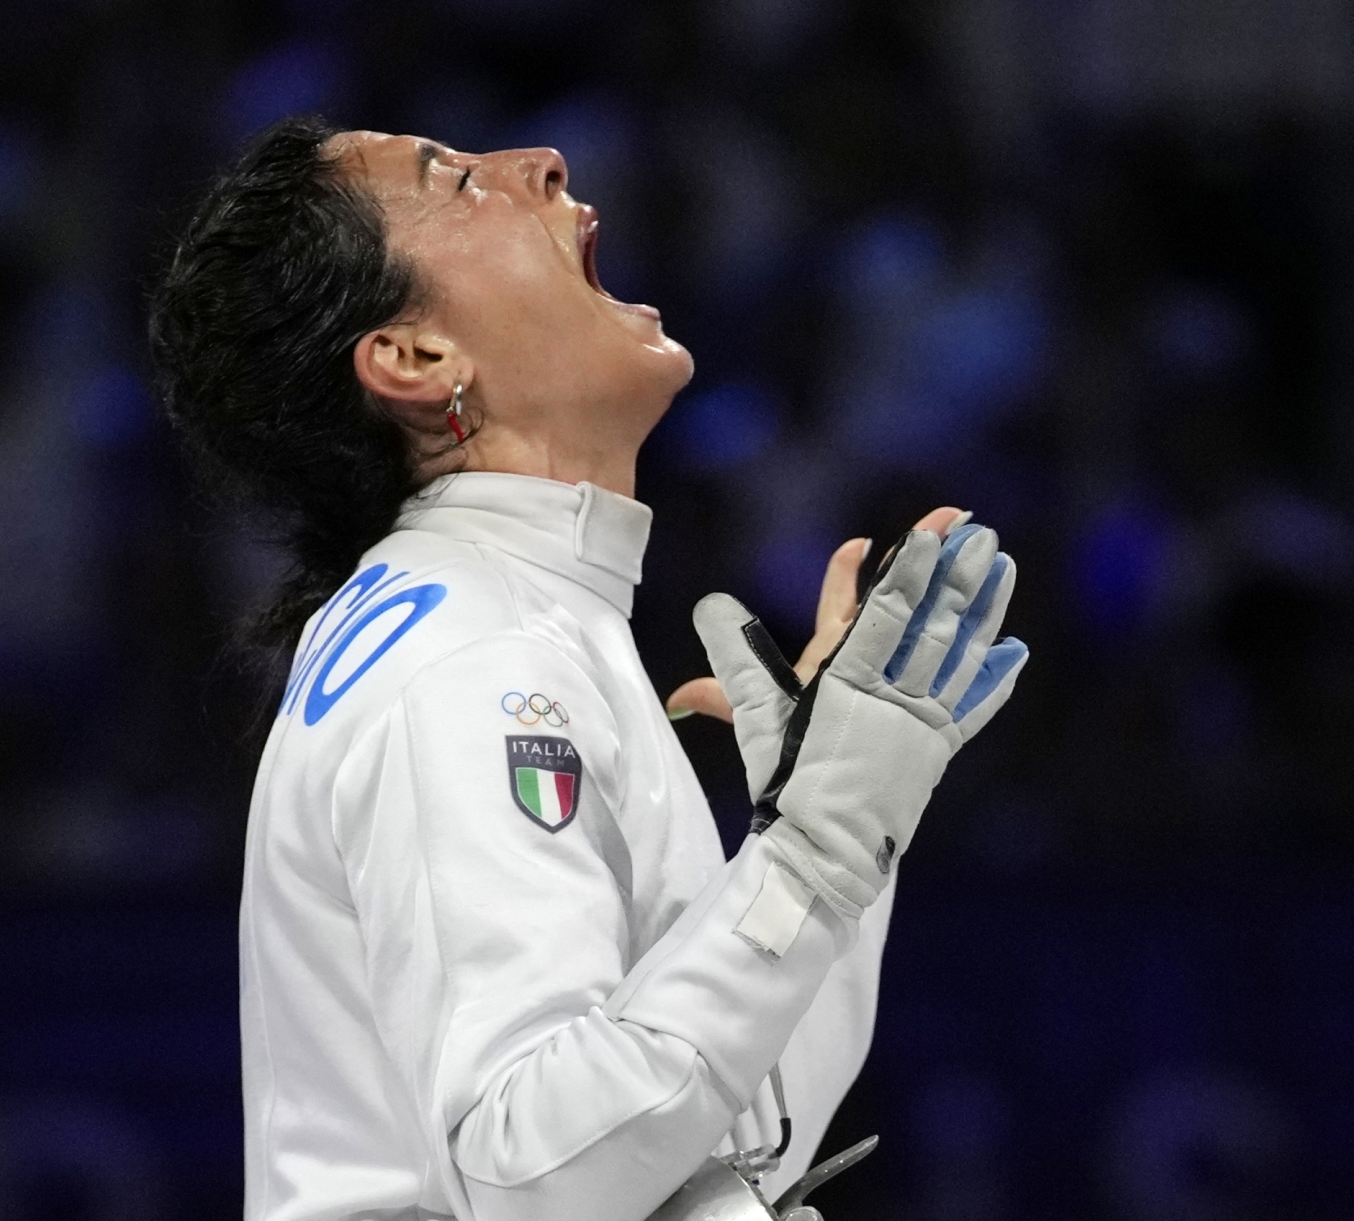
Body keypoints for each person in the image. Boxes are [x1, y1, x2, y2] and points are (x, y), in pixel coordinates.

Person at [149, 116, 1030, 1221]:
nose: (540, 164)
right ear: (417, 360)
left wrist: (827, 840)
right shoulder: (472, 655)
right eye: (454, 182)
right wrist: (811, 852)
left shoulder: (518, 613)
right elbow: (528, 1172)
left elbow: (722, 1136)